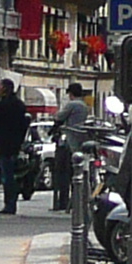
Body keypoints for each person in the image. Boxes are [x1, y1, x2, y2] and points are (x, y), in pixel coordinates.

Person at [0, 78, 31, 215]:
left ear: (4, 89)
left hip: (5, 144)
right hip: (14, 144)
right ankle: (10, 203)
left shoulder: (4, 104)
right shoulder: (19, 104)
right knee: (10, 175)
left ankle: (9, 204)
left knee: (7, 176)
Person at [51, 83, 94, 212]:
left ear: (71, 93)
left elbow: (59, 117)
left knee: (63, 172)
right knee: (76, 172)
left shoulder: (72, 104)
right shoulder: (85, 106)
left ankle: (62, 202)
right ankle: (76, 200)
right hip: (80, 141)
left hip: (69, 141)